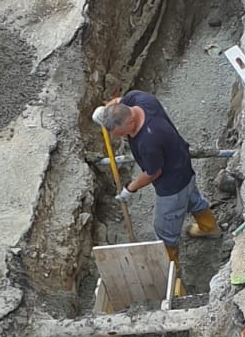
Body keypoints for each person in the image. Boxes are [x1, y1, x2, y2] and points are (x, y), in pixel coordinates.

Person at [92, 93, 220, 261]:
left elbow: (153, 173)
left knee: (164, 231)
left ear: (130, 122)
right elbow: (117, 102)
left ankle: (171, 270)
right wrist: (104, 112)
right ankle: (209, 227)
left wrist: (130, 188)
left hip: (172, 184)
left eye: (122, 133)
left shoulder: (148, 141)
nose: (121, 137)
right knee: (193, 199)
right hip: (182, 164)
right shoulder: (140, 100)